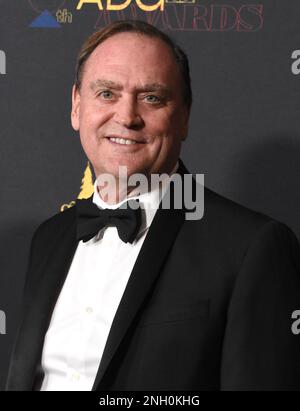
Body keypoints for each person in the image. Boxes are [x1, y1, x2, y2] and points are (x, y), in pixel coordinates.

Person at [6, 20, 300, 391]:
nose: (127, 117)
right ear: (77, 106)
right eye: (107, 94)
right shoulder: (49, 238)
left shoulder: (250, 247)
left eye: (152, 97)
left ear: (184, 117)